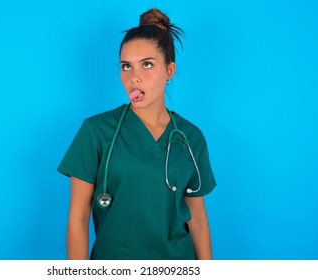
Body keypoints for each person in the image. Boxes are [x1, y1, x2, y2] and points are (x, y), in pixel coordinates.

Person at [58, 8, 216, 260]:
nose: (134, 78)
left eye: (147, 65)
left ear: (169, 70)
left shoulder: (190, 138)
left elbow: (197, 219)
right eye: (126, 66)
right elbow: (78, 218)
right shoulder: (96, 131)